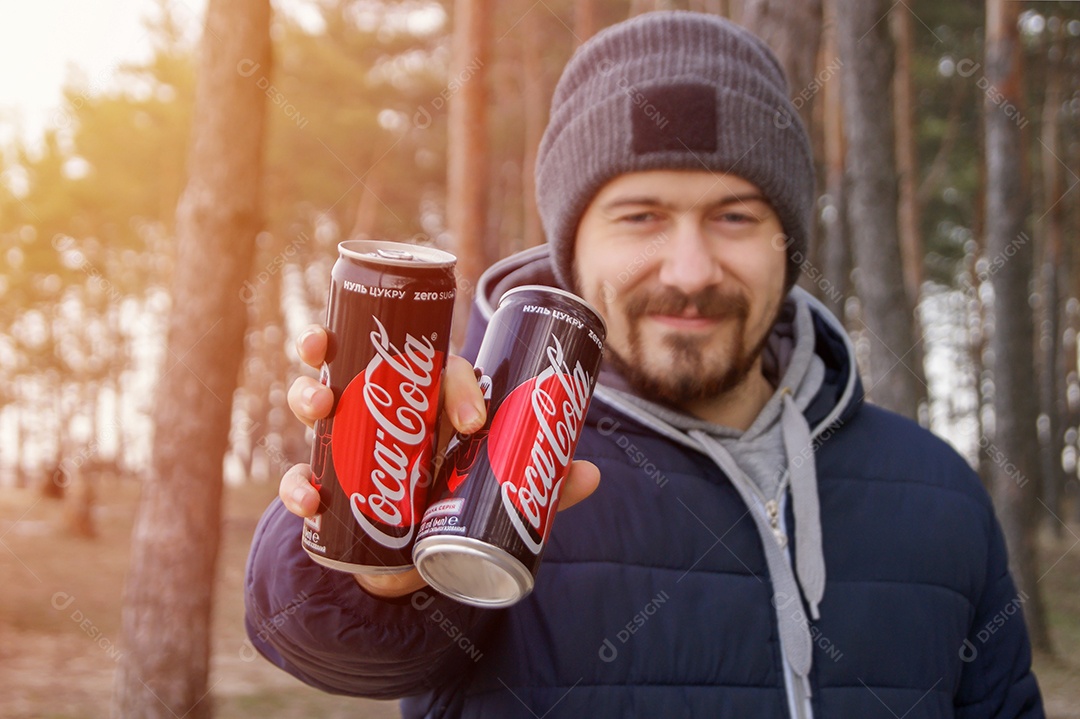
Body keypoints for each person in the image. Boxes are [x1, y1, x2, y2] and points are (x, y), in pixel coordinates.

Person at [245, 11, 1045, 718]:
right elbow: (335, 646)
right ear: (570, 248)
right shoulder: (478, 456)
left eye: (735, 216)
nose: (690, 269)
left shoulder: (937, 491)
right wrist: (381, 563)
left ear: (787, 240)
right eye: (642, 216)